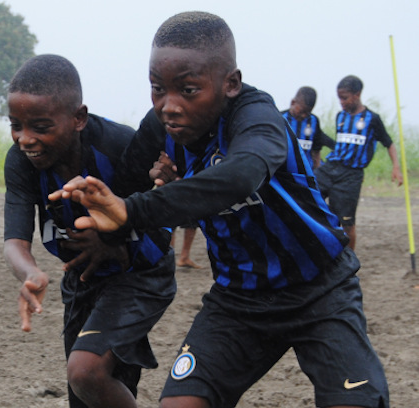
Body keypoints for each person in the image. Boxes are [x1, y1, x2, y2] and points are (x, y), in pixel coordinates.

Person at [53, 12, 389, 408]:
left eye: (188, 90)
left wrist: (133, 211)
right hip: (238, 300)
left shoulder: (257, 116)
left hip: (320, 289)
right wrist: (108, 230)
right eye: (158, 88)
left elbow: (240, 176)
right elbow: (123, 187)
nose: (169, 106)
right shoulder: (159, 129)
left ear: (230, 83)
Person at [3, 54, 176, 408]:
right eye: (15, 126)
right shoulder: (20, 162)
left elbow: (162, 221)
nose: (25, 139)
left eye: (40, 127)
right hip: (81, 280)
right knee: (86, 393)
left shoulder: (120, 145)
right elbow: (14, 241)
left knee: (86, 372)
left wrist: (112, 242)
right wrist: (30, 273)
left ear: (78, 118)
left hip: (139, 275)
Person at [315, 75, 403, 250]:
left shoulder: (372, 119)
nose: (341, 102)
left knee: (347, 223)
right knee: (305, 194)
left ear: (357, 95)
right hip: (330, 168)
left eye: (345, 98)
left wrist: (396, 167)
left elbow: (389, 143)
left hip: (351, 176)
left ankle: (349, 260)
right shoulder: (340, 116)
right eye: (339, 98)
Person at [282, 86, 334, 170]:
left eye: (308, 112)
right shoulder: (280, 118)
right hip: (284, 172)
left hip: (306, 172)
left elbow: (316, 150)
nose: (304, 115)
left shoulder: (313, 120)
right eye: (302, 111)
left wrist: (316, 171)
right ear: (293, 102)